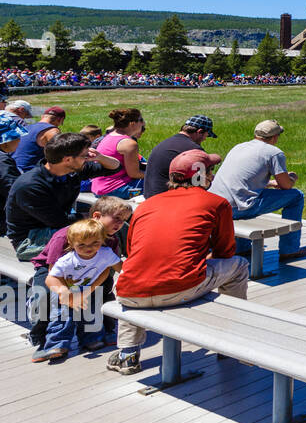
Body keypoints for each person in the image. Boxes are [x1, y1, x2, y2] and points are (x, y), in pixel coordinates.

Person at [110, 148, 249, 376]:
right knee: (240, 264)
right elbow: (226, 252)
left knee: (134, 276)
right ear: (199, 175)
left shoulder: (146, 205)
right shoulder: (216, 202)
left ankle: (128, 354)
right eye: (209, 171)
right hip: (179, 288)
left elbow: (133, 251)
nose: (212, 176)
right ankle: (230, 339)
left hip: (128, 293)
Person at [26, 196, 133, 353]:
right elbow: (53, 271)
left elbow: (107, 269)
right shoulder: (65, 236)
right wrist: (67, 292)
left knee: (103, 291)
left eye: (123, 220)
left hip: (91, 270)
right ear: (96, 216)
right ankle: (40, 336)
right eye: (116, 218)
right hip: (54, 271)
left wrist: (87, 291)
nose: (120, 223)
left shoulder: (111, 240)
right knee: (46, 296)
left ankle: (101, 331)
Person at [5, 132, 123, 260]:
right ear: (67, 159)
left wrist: (99, 157)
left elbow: (115, 167)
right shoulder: (31, 185)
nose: (87, 158)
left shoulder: (70, 171)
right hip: (30, 240)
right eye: (84, 156)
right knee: (102, 233)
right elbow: (59, 221)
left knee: (112, 227)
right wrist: (94, 218)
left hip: (56, 227)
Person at [209, 120, 306, 262]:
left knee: (243, 197)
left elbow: (241, 180)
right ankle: (290, 250)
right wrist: (292, 177)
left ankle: (242, 248)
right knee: (296, 196)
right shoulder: (274, 153)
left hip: (218, 206)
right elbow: (286, 186)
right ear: (274, 137)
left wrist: (269, 183)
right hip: (238, 209)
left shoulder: (239, 147)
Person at [32, 218, 120, 362]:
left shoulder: (106, 253)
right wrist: (62, 291)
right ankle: (57, 345)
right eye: (82, 245)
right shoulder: (67, 259)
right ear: (72, 244)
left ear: (102, 240)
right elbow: (50, 278)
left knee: (91, 315)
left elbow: (121, 267)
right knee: (62, 317)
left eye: (94, 243)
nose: (88, 248)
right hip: (66, 289)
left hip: (89, 289)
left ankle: (91, 339)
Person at [141, 116, 216, 199]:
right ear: (200, 132)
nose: (205, 139)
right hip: (166, 199)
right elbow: (200, 184)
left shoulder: (165, 143)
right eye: (207, 135)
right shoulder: (193, 150)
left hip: (149, 195)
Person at [90, 108, 148, 197]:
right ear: (132, 123)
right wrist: (154, 174)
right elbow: (134, 174)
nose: (143, 123)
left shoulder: (108, 137)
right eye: (141, 120)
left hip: (98, 187)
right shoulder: (129, 143)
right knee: (161, 184)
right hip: (114, 189)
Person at [10, 106, 66, 171]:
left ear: (42, 116)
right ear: (60, 120)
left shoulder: (26, 128)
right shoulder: (52, 131)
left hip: (13, 169)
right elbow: (62, 153)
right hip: (29, 172)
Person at [0, 113, 23, 217]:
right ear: (5, 141)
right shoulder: (3, 161)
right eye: (17, 137)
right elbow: (15, 191)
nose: (20, 140)